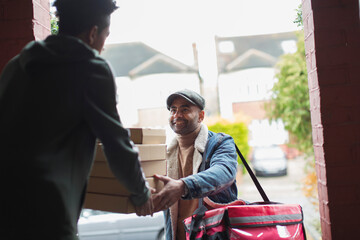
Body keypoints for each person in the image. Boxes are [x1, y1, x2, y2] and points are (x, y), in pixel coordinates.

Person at [0, 0, 153, 239]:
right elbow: (117, 144)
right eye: (105, 35)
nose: (103, 46)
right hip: (48, 214)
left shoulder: (15, 66)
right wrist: (142, 195)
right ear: (93, 33)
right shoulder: (90, 69)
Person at [153, 89, 238, 240]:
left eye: (185, 109)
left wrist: (183, 186)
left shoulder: (220, 143)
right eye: (173, 110)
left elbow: (224, 171)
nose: (177, 115)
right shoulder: (165, 153)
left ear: (201, 116)